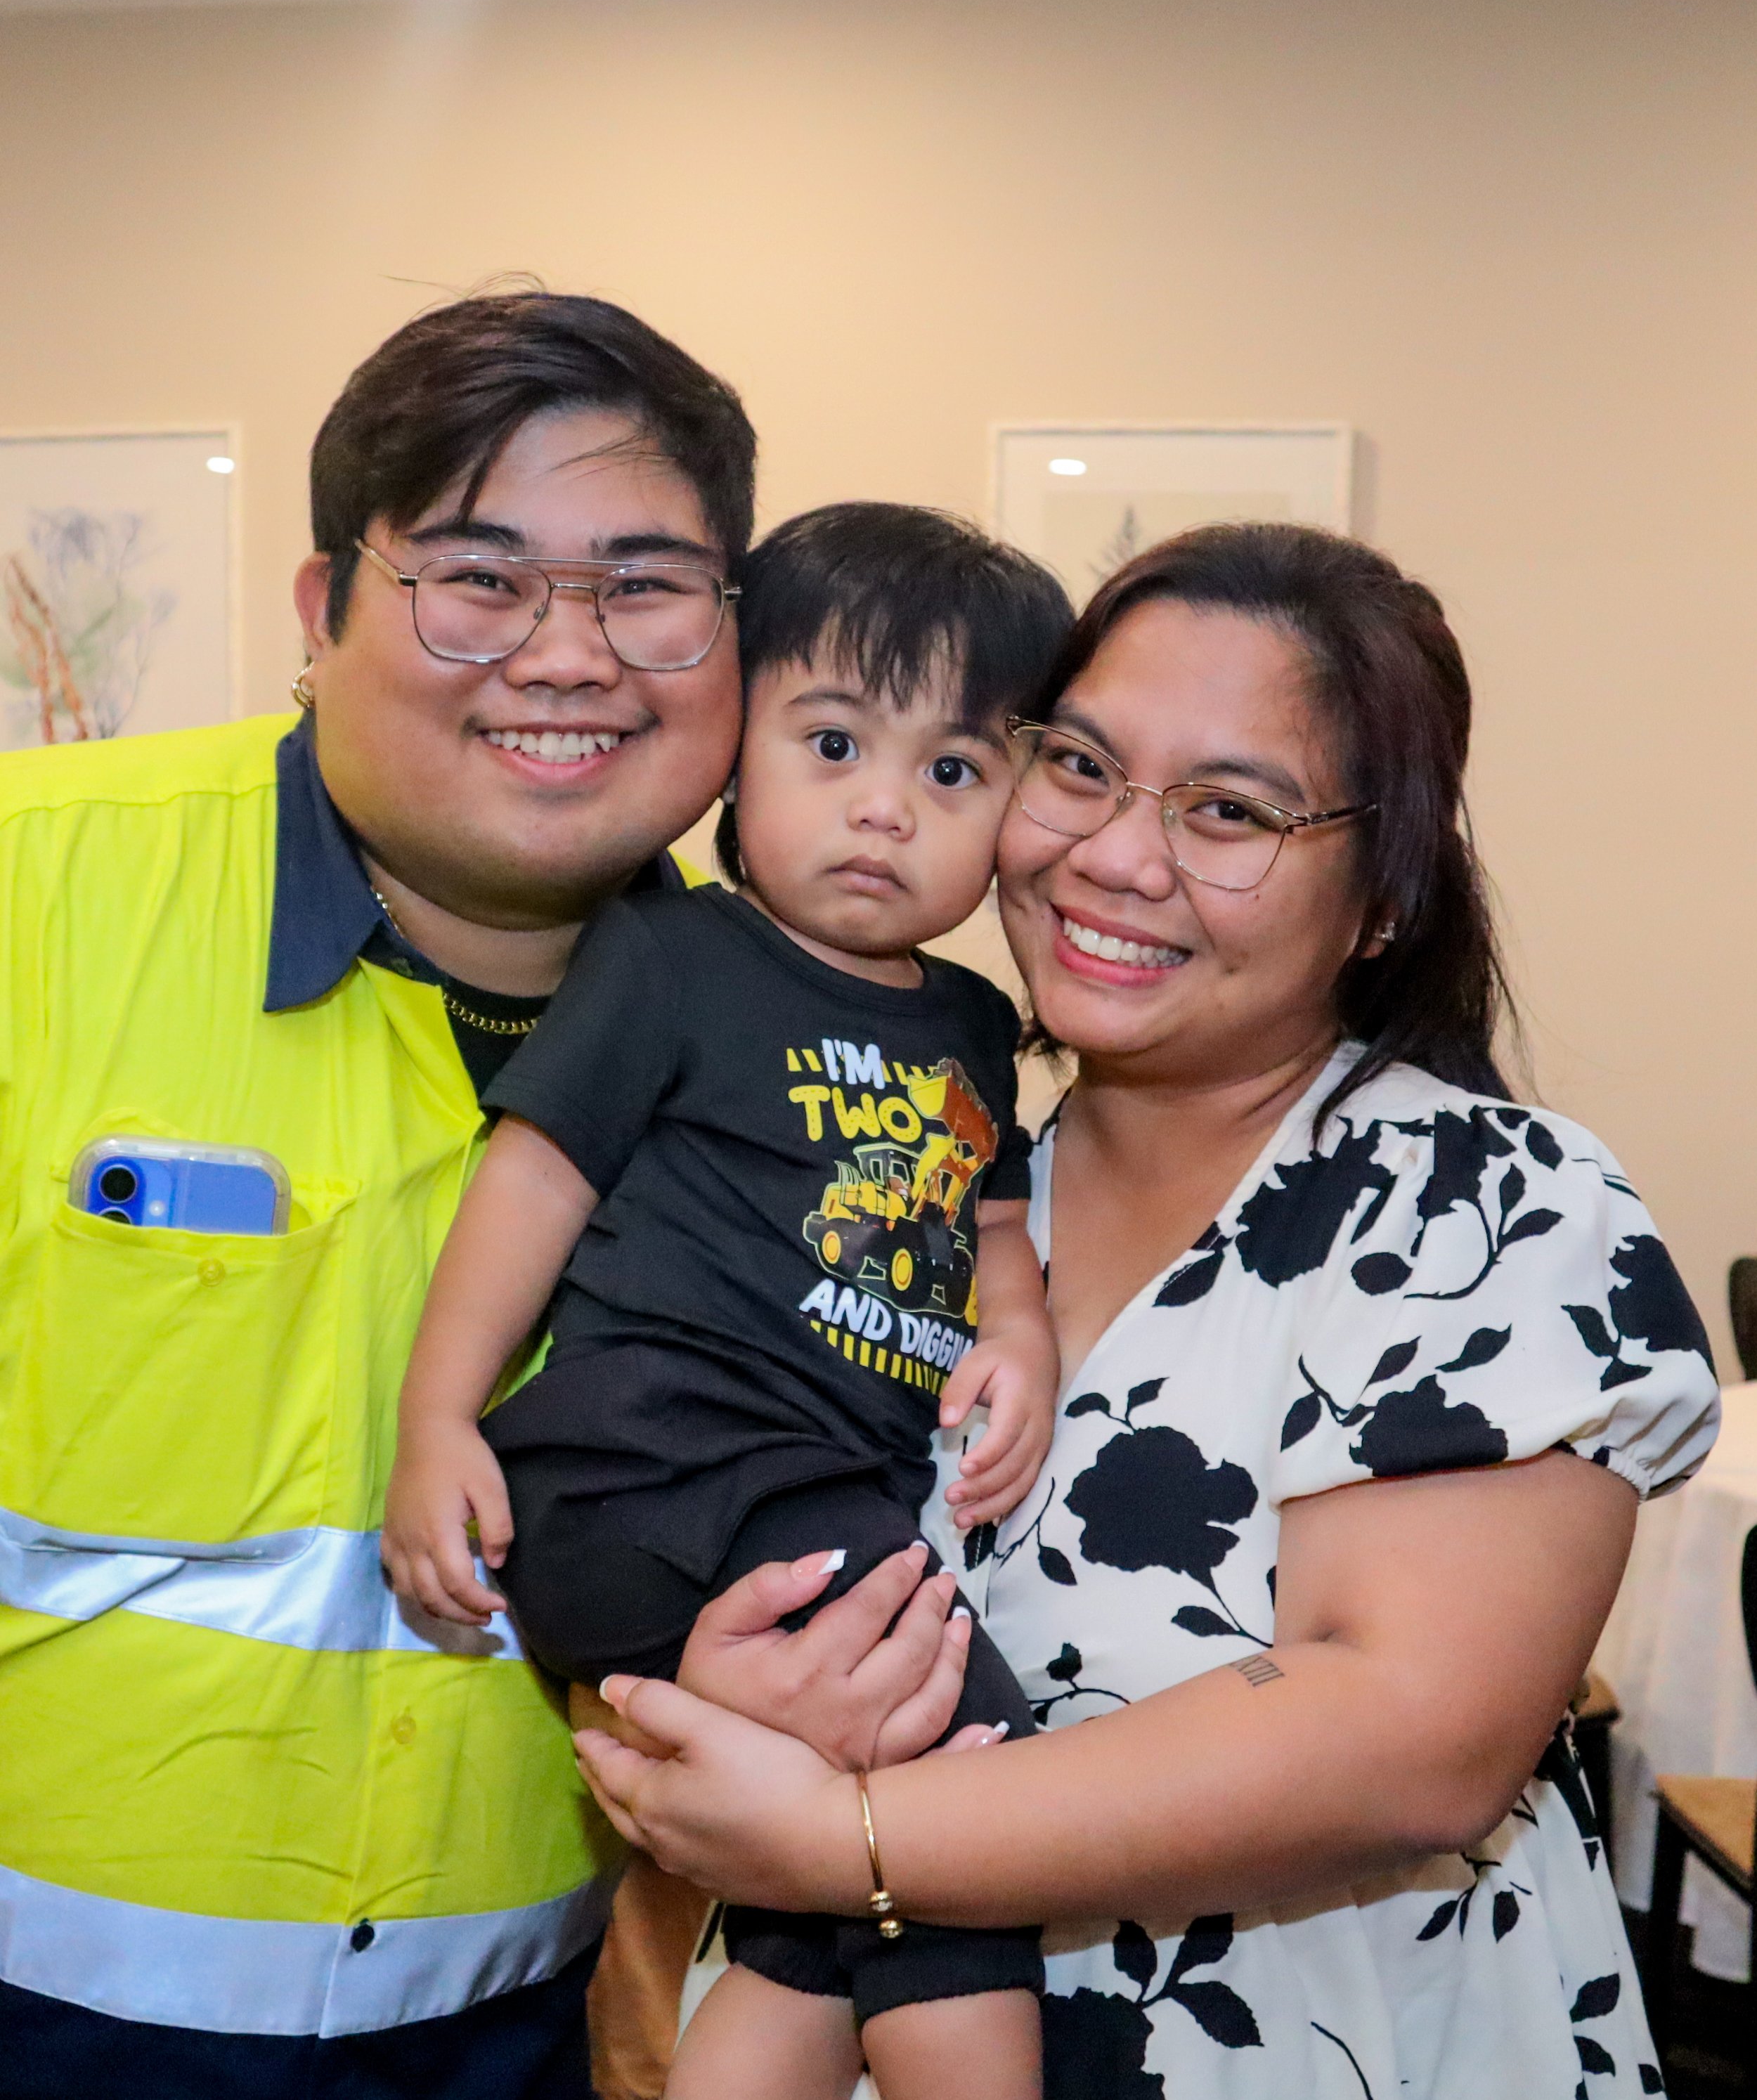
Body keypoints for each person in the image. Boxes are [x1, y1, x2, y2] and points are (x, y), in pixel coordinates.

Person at [572, 524, 1723, 2099]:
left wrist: (846, 1835)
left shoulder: (1475, 1200)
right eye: (1079, 766)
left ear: (1380, 896)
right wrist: (730, 1683)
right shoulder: (930, 1187)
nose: (1114, 854)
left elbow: (1413, 1731)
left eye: (1228, 810)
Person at [0, 290, 754, 2099]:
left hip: (521, 2028)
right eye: (477, 576)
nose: (567, 653)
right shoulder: (38, 891)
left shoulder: (792, 1046)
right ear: (320, 612)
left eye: (644, 584)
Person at [384, 505, 1074, 2100]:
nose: (883, 811)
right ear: (735, 747)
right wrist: (434, 1415)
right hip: (658, 1460)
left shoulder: (969, 1019)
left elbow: (991, 1216)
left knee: (818, 1877)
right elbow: (532, 1184)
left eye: (952, 773)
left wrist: (1015, 1330)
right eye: (831, 743)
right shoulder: (670, 953)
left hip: (810, 1488)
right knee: (962, 1762)